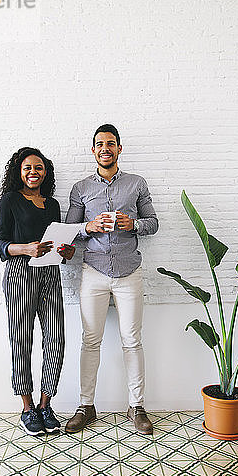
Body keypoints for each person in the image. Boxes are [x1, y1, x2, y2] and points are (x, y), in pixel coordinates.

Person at [65, 124, 158, 435]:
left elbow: (153, 223)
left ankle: (137, 406)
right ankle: (86, 406)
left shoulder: (137, 184)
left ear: (120, 149)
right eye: (100, 144)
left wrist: (132, 223)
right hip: (93, 271)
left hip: (129, 271)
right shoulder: (80, 188)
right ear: (93, 151)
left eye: (111, 144)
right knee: (90, 341)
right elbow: (68, 232)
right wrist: (89, 226)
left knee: (132, 341)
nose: (105, 148)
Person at [0, 147, 75, 436]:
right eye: (27, 168)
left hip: (51, 272)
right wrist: (25, 248)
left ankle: (45, 405)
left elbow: (59, 242)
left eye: (38, 168)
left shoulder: (52, 204)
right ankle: (27, 408)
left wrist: (68, 250)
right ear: (19, 172)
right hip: (20, 274)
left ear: (45, 172)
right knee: (21, 340)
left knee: (56, 338)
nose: (33, 172)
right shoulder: (10, 200)